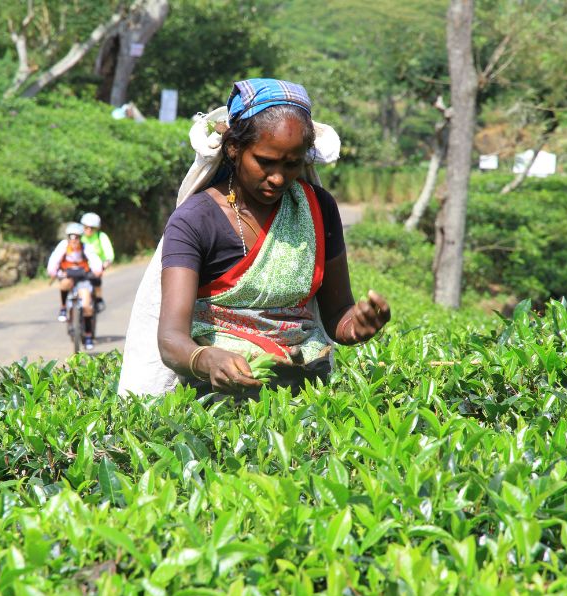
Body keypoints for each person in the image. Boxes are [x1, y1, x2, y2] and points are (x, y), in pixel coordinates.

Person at [119, 78, 390, 397]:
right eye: (264, 161)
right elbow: (171, 339)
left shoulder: (318, 208)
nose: (277, 178)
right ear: (234, 148)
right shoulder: (196, 220)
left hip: (304, 398)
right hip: (215, 400)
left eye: (292, 164)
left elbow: (337, 316)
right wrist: (205, 358)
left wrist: (354, 326)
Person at [46, 222, 103, 350]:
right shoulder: (63, 246)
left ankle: (88, 335)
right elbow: (54, 259)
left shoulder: (85, 247)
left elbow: (94, 260)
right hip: (68, 276)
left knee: (87, 305)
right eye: (71, 236)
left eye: (77, 237)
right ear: (68, 237)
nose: (74, 240)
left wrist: (97, 271)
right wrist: (53, 272)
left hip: (83, 278)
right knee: (64, 283)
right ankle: (63, 308)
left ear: (80, 237)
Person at [79, 212, 115, 312]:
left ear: (96, 228)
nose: (89, 230)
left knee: (96, 279)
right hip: (81, 266)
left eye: (92, 228)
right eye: (86, 227)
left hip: (96, 267)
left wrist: (104, 265)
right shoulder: (79, 237)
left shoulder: (101, 236)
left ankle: (98, 298)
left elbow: (109, 253)